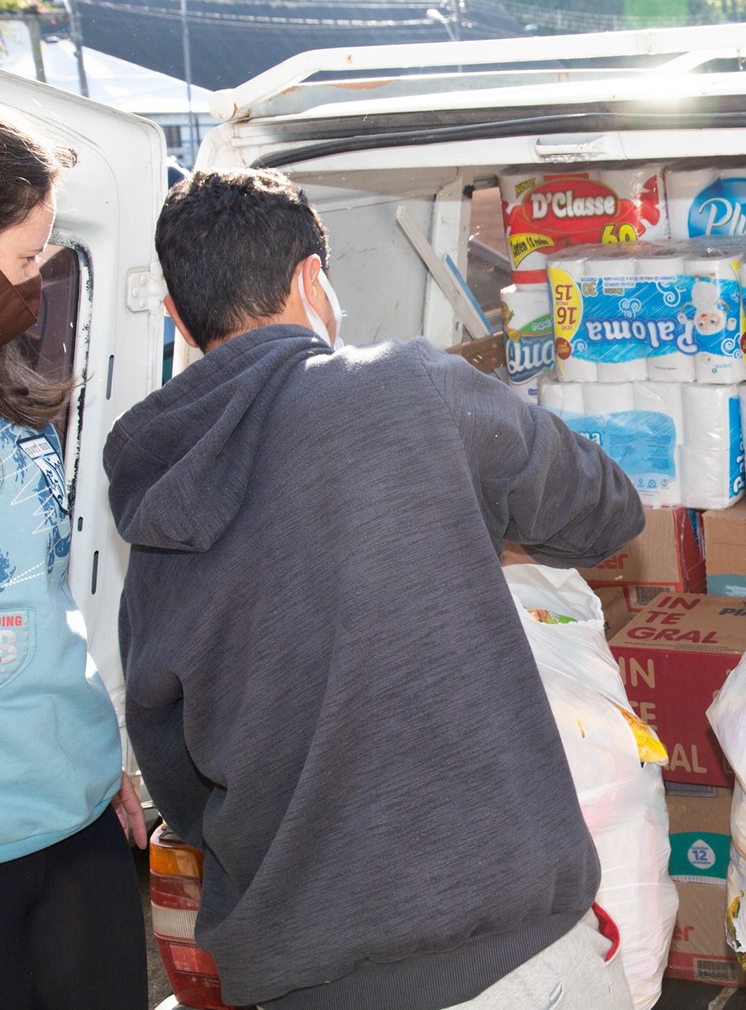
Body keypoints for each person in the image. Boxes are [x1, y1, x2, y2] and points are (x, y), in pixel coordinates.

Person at [104, 168, 646, 1010]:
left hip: (301, 983)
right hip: (510, 968)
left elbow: (176, 780)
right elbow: (605, 511)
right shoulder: (408, 388)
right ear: (313, 281)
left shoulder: (155, 525)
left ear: (177, 318)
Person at [0, 94, 148, 1009]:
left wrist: (99, 757)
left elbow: (44, 594)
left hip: (74, 812)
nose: (38, 279)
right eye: (22, 257)